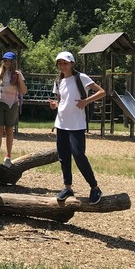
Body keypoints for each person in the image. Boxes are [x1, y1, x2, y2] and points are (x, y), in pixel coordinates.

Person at [49, 51, 106, 204]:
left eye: (65, 63)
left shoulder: (81, 77)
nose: (62, 66)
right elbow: (60, 100)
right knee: (64, 157)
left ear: (72, 63)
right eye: (59, 63)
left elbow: (102, 92)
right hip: (61, 123)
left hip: (76, 124)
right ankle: (67, 187)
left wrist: (86, 101)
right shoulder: (58, 80)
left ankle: (95, 187)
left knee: (79, 155)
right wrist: (55, 105)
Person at [0, 51, 27, 167]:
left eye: (9, 60)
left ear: (13, 61)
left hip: (13, 103)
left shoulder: (17, 74)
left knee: (9, 130)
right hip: (0, 102)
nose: (6, 62)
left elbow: (24, 91)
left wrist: (19, 78)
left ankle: (8, 156)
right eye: (5, 60)